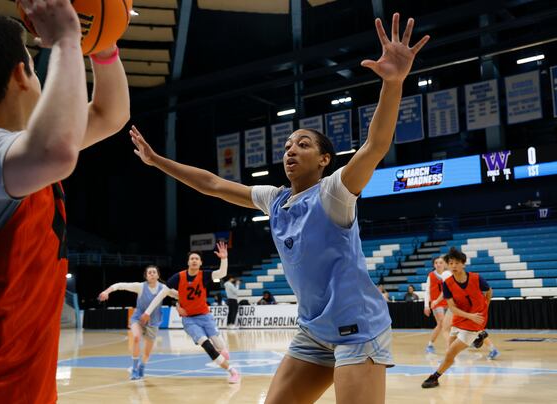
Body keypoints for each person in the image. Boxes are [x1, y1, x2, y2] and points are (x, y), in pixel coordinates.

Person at [130, 13, 428, 403]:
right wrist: (158, 162)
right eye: (288, 145)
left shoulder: (334, 191)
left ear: (324, 160)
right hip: (313, 331)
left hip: (357, 328)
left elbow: (375, 146)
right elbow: (213, 184)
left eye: (303, 144)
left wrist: (393, 82)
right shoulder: (275, 199)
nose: (291, 149)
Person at [0, 2, 129, 402]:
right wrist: (68, 39)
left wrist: (102, 45)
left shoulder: (17, 155)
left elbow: (110, 113)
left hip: (22, 389)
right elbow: (58, 151)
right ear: (22, 76)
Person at [141, 242, 241, 384]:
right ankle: (232, 371)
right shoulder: (178, 277)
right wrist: (147, 312)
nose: (194, 260)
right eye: (192, 258)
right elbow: (162, 294)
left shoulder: (204, 275)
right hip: (189, 320)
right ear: (188, 262)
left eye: (197, 259)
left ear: (200, 263)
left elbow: (222, 273)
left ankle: (223, 350)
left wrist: (224, 259)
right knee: (207, 346)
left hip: (205, 316)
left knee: (219, 345)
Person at [421, 247, 493, 388]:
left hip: (476, 320)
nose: (453, 266)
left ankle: (434, 377)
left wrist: (485, 307)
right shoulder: (447, 284)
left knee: (450, 353)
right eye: (451, 263)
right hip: (461, 317)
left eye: (457, 263)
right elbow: (452, 308)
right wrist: (469, 315)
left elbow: (489, 291)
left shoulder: (476, 278)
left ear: (463, 264)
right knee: (450, 350)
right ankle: (479, 336)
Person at [99, 265, 174, 380]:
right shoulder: (140, 287)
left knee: (147, 352)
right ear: (146, 276)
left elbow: (178, 295)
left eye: (154, 272)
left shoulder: (164, 288)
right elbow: (120, 285)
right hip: (138, 319)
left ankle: (142, 366)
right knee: (136, 338)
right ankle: (134, 369)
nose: (152, 274)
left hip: (153, 322)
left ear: (158, 275)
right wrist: (106, 291)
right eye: (150, 272)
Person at [424, 256, 451, 353]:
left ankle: (430, 344)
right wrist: (426, 305)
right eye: (436, 263)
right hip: (436, 303)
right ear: (434, 265)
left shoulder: (448, 275)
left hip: (448, 302)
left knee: (441, 325)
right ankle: (450, 347)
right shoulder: (431, 275)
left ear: (444, 264)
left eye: (440, 262)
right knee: (443, 324)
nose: (438, 264)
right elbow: (427, 291)